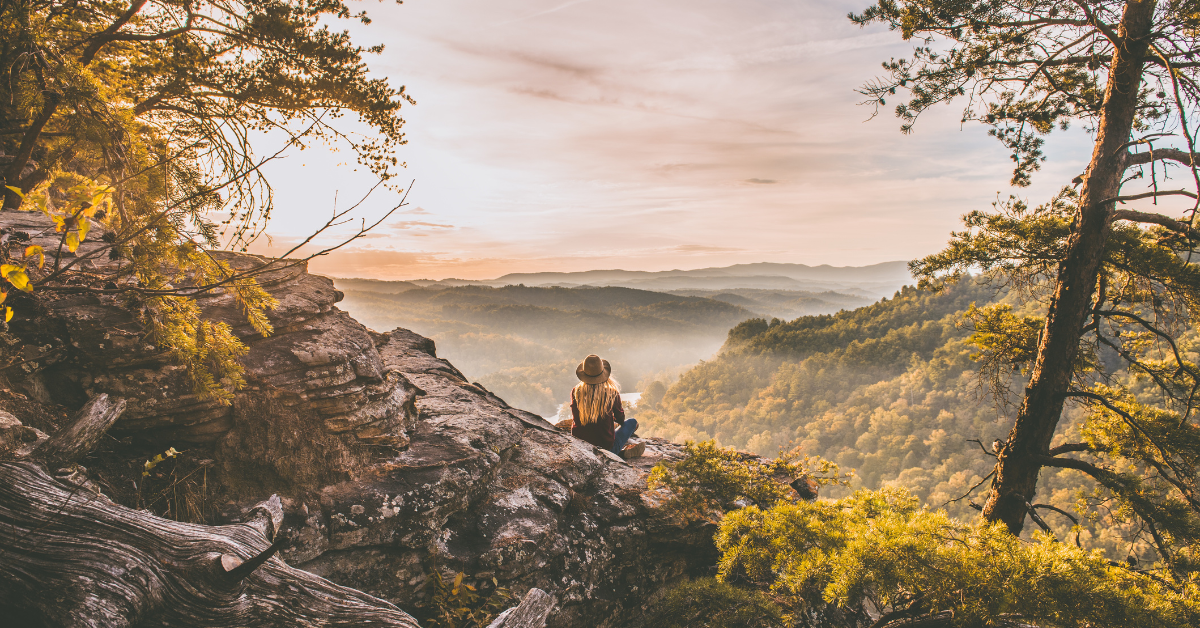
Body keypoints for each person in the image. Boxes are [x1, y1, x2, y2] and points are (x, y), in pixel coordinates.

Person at [569, 354, 645, 459]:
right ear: (603, 373)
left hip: (581, 448)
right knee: (632, 422)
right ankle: (618, 453)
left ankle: (619, 453)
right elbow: (621, 419)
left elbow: (575, 417)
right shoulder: (611, 393)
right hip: (606, 448)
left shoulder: (576, 392)